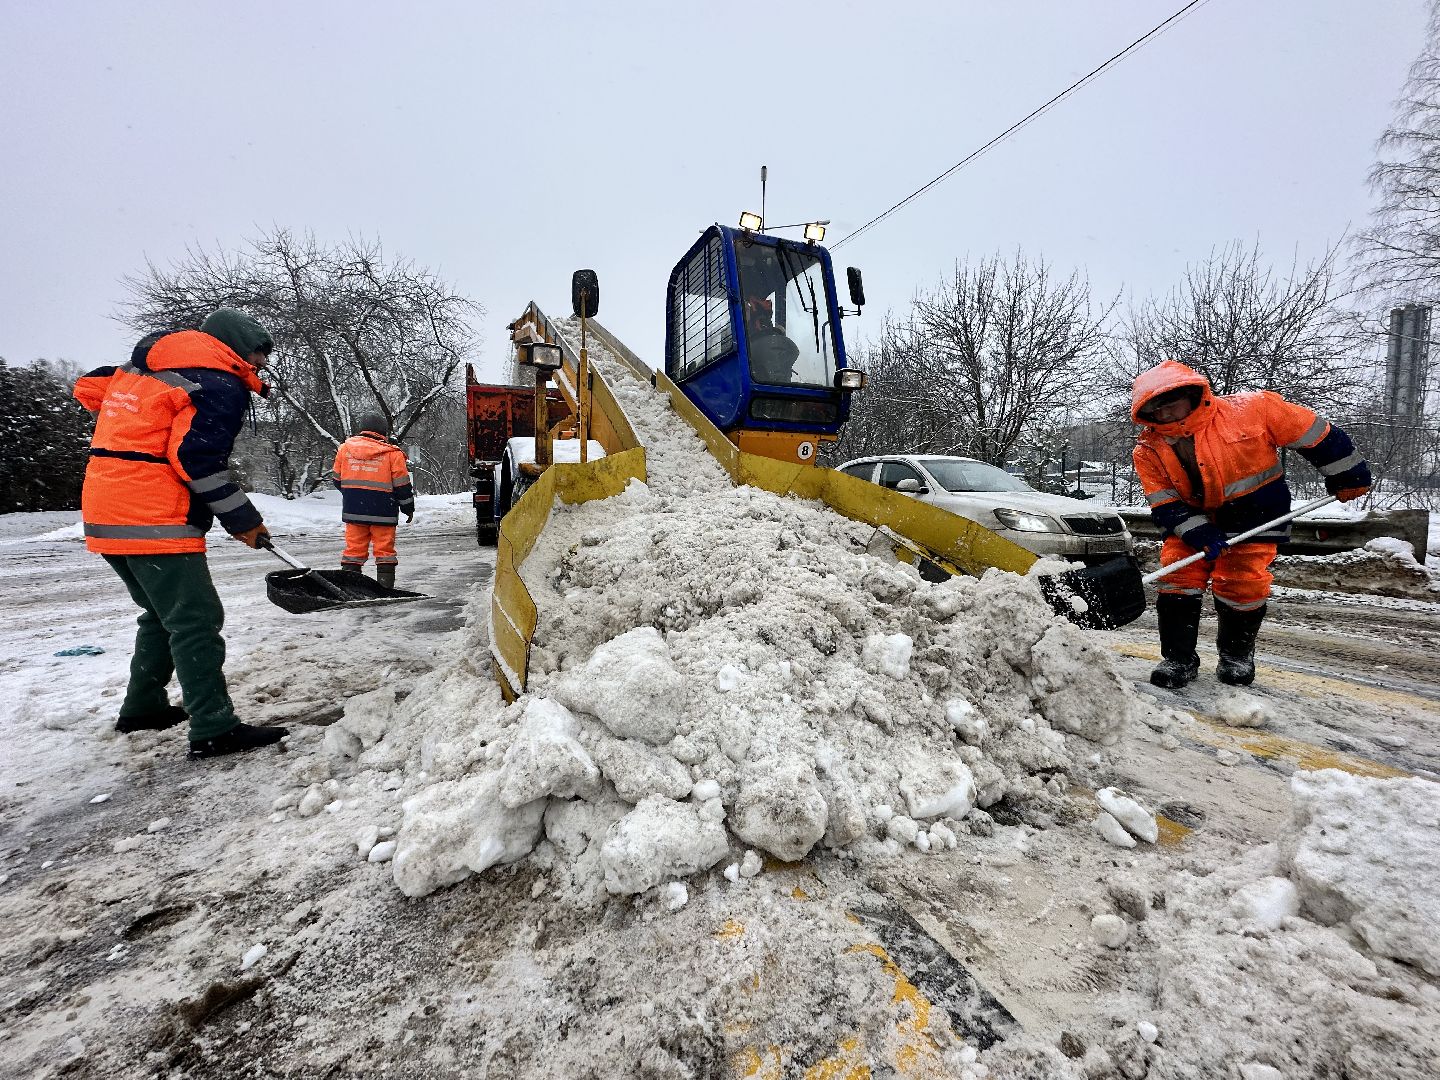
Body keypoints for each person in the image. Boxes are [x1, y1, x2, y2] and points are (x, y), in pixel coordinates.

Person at [73, 309, 289, 759]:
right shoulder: (216, 382)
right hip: (153, 512)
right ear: (235, 347)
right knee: (196, 619)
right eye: (258, 353)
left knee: (160, 614)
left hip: (105, 504)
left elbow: (90, 387)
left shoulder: (145, 371)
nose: (262, 363)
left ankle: (143, 708)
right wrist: (244, 521)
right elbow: (197, 461)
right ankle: (214, 727)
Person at [1131, 360, 1371, 689]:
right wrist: (1198, 532)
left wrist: (1347, 472)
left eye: (1171, 404)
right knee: (1177, 578)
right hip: (1191, 521)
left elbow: (1313, 433)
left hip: (1254, 515)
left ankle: (1236, 657)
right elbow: (1164, 502)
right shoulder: (1148, 449)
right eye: (1157, 410)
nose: (1166, 414)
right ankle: (1178, 659)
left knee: (1242, 584)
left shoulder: (1253, 410)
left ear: (1192, 394)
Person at [332, 414, 415, 587]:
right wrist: (408, 508)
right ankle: (385, 589)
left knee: (353, 552)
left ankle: (350, 589)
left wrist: (354, 496)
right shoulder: (393, 454)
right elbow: (402, 486)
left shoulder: (344, 449)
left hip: (354, 511)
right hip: (384, 513)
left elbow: (337, 480)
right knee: (385, 553)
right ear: (383, 432)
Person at [744, 293, 799, 385]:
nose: (744, 313)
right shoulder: (735, 335)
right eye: (744, 309)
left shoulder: (765, 329)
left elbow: (793, 352)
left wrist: (779, 334)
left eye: (746, 309)